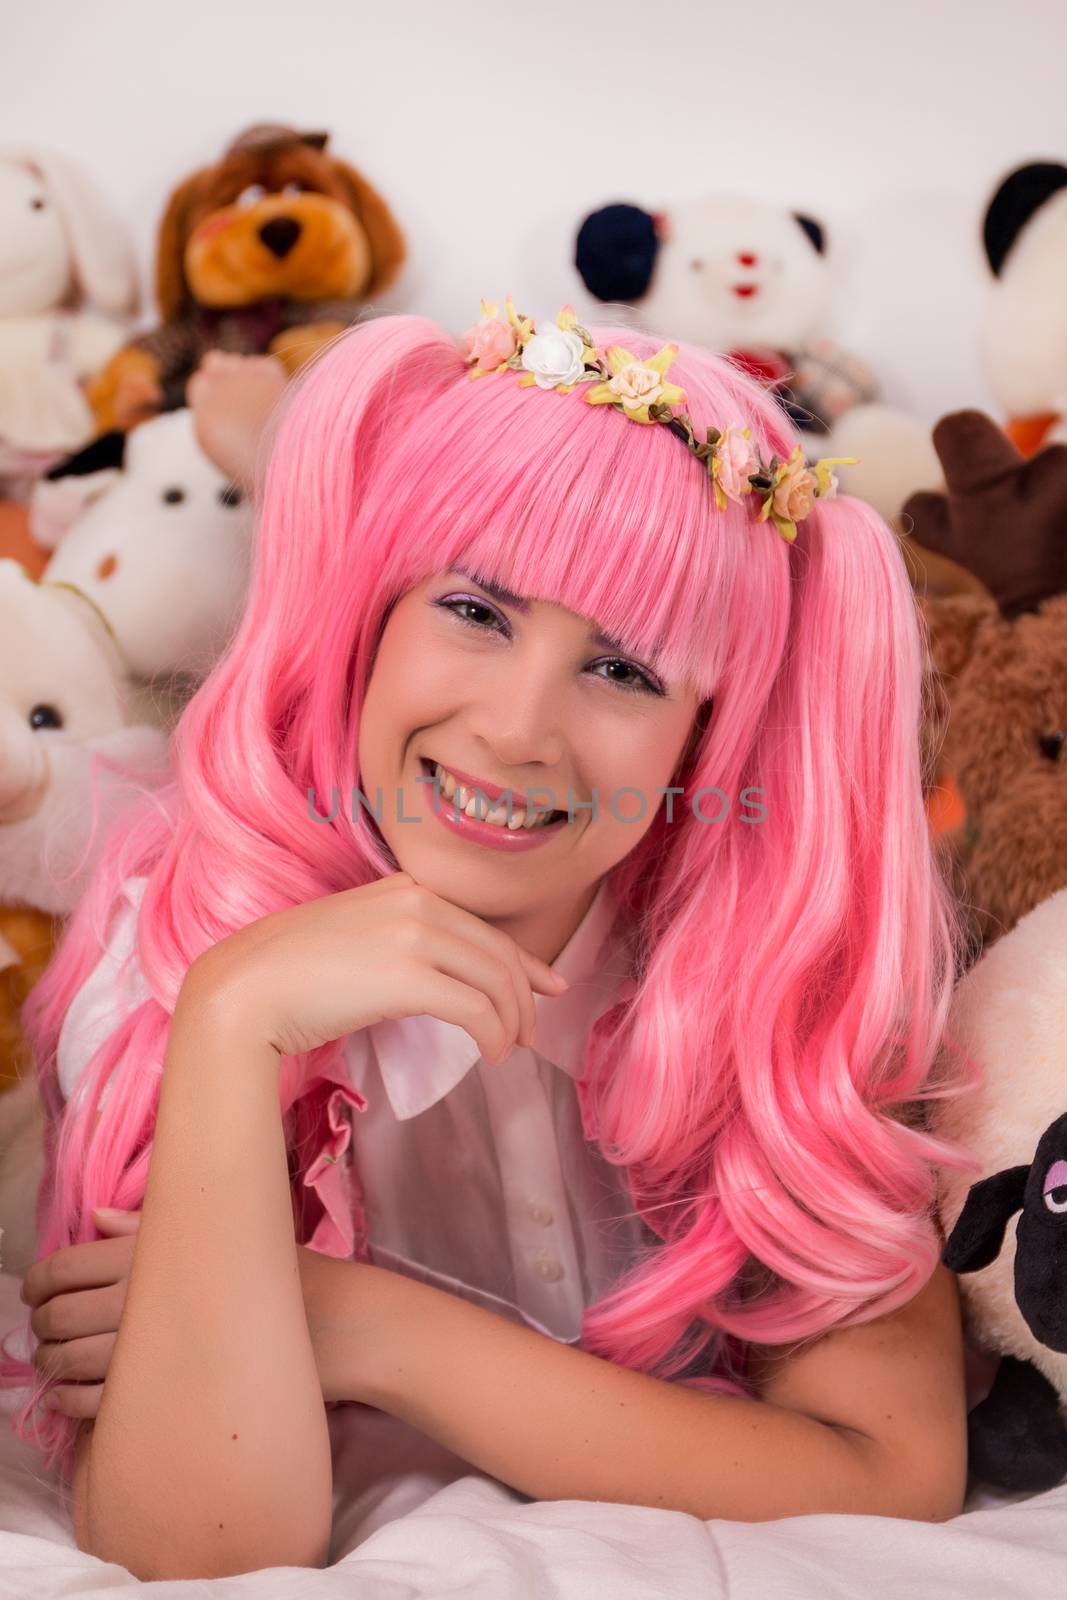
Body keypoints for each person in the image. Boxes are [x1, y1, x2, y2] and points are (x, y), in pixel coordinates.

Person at [4, 302, 975, 1581]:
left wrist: (363, 1325)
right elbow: (196, 1553)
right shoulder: (182, 957)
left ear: (708, 734)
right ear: (370, 612)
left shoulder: (761, 979)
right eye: (473, 608)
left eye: (622, 671)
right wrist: (235, 1022)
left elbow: (888, 1472)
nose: (517, 729)